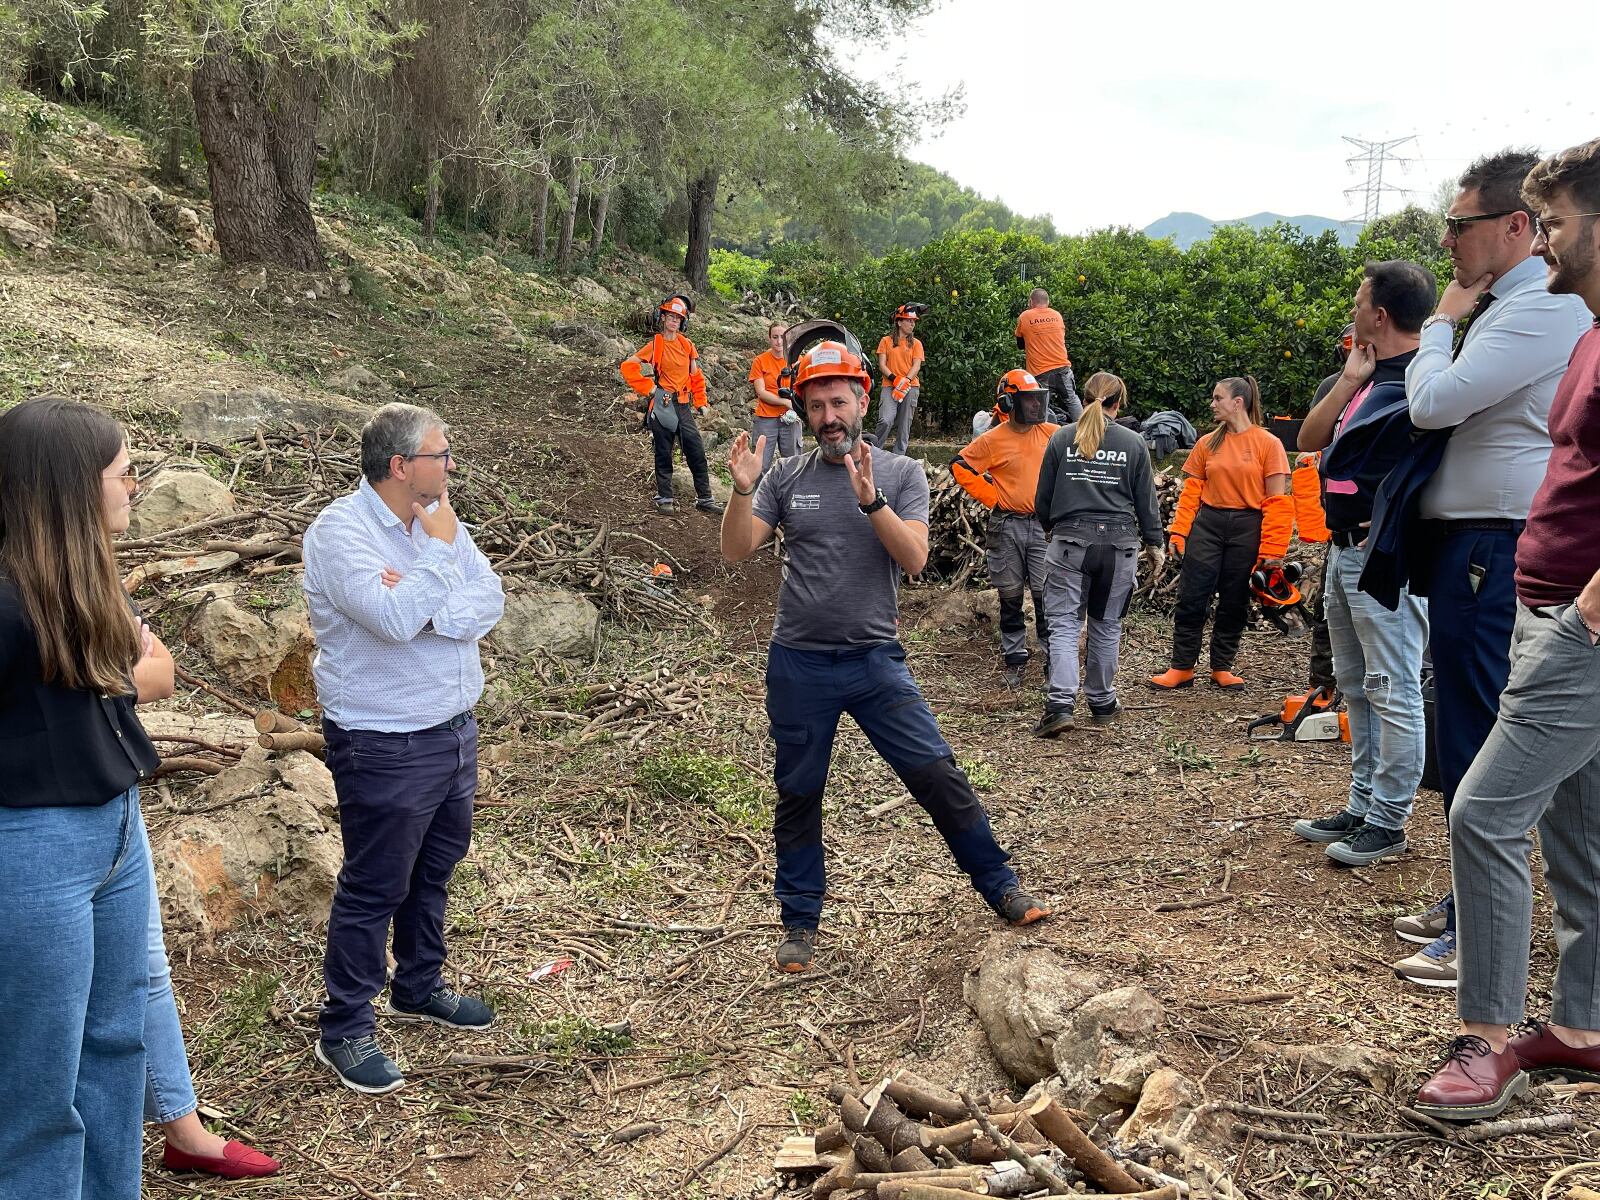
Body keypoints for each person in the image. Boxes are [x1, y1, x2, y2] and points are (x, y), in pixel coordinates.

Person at [719, 338, 1050, 973]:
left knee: (936, 775)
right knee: (798, 791)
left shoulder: (901, 474)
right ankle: (799, 921)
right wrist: (740, 491)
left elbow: (916, 559)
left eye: (838, 402)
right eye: (815, 407)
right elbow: (738, 550)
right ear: (802, 410)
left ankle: (999, 884)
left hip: (874, 660)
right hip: (799, 662)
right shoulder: (784, 477)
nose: (828, 417)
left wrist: (871, 500)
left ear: (863, 399)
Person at [1411, 137, 1600, 1122]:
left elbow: (1435, 401)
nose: (1550, 246)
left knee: (1482, 814)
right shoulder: (1588, 324)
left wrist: (1583, 618)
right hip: (1550, 601)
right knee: (1578, 829)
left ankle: (1485, 1038)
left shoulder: (1559, 316)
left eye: (1560, 223)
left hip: (1577, 623)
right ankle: (1582, 1025)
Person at [303, 402, 505, 1095]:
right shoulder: (341, 534)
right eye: (441, 455)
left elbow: (490, 600)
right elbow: (390, 621)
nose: (450, 466)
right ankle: (345, 1027)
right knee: (375, 883)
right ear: (401, 465)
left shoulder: (440, 517)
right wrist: (439, 566)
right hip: (384, 739)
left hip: (452, 728)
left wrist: (432, 603)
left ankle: (418, 986)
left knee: (436, 868)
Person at [0, 397, 159, 1199]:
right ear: (71, 488)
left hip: (116, 831)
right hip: (30, 849)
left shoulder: (79, 572)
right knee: (35, 1087)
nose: (135, 483)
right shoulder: (2, 597)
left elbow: (143, 671)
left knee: (113, 1049)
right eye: (122, 472)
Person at [1289, 261, 1437, 869]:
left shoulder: (1426, 382)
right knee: (1355, 682)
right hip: (1341, 548)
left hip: (1385, 553)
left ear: (1380, 315)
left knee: (1393, 686)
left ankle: (1389, 819)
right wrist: (1349, 379)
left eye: (1357, 303)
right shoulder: (1362, 377)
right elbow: (1308, 439)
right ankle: (1362, 801)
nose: (1351, 312)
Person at [1032, 372, 1164, 736]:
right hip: (1119, 547)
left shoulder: (1060, 438)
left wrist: (1052, 530)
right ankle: (1102, 702)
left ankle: (1059, 705)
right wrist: (1155, 545)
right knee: (1106, 625)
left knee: (1064, 624)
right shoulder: (1134, 442)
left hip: (1070, 544)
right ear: (1118, 403)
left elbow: (1043, 499)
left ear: (1086, 398)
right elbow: (1146, 503)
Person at [1148, 376, 1292, 691]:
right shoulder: (1206, 443)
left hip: (1247, 525)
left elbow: (1278, 502)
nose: (1212, 404)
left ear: (1237, 403)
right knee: (1192, 596)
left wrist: (1273, 551)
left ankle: (1221, 667)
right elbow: (1190, 493)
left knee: (1235, 599)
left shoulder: (1268, 445)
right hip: (1209, 524)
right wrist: (1179, 533)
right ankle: (1182, 667)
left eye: (1218, 398)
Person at [950, 369, 1060, 689]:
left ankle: (1054, 660)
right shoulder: (993, 440)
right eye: (1028, 401)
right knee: (1010, 596)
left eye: (1038, 400)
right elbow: (960, 466)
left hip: (1043, 527)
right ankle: (1015, 659)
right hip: (1007, 524)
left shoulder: (1054, 434)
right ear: (1009, 401)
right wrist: (993, 497)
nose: (1035, 408)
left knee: (1046, 596)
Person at [620, 295, 724, 514]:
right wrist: (649, 389)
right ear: (663, 317)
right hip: (663, 404)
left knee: (696, 450)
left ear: (683, 322)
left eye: (678, 317)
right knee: (663, 452)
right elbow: (628, 366)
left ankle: (705, 498)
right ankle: (665, 497)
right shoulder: (655, 344)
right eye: (670, 316)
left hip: (684, 404)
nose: (674, 321)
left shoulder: (687, 345)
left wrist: (701, 403)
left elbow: (696, 377)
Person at [1014, 288, 1082, 420]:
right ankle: (1085, 432)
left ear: (1031, 302)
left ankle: (1042, 435)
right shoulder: (1057, 315)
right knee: (1071, 399)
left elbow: (1020, 345)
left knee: (1039, 405)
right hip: (1062, 368)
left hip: (1040, 372)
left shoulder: (1025, 316)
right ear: (1048, 301)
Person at [873, 304, 926, 455]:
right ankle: (874, 452)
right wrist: (894, 379)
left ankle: (899, 457)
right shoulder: (886, 341)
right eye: (909, 321)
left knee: (904, 425)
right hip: (889, 386)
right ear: (899, 322)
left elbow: (916, 366)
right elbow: (882, 364)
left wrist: (906, 381)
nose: (912, 324)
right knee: (885, 419)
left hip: (910, 387)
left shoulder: (917, 343)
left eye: (914, 321)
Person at [748, 321, 800, 473]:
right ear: (769, 338)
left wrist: (797, 407)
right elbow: (761, 392)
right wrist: (785, 401)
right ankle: (758, 497)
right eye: (775, 337)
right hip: (766, 418)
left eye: (782, 337)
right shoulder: (760, 361)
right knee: (760, 466)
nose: (779, 341)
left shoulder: (798, 361)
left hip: (792, 418)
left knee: (793, 464)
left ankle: (790, 497)